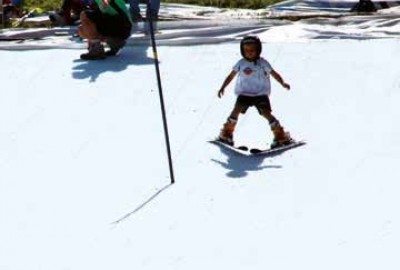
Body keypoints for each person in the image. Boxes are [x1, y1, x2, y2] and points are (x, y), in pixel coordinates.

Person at [217, 36, 292, 149]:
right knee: (236, 111)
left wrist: (283, 83)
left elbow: (274, 74)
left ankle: (280, 135)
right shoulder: (241, 63)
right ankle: (227, 133)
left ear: (258, 50)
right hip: (244, 93)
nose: (250, 53)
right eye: (246, 50)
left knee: (265, 112)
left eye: (252, 50)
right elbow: (231, 76)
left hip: (260, 94)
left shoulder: (263, 63)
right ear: (242, 51)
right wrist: (223, 87)